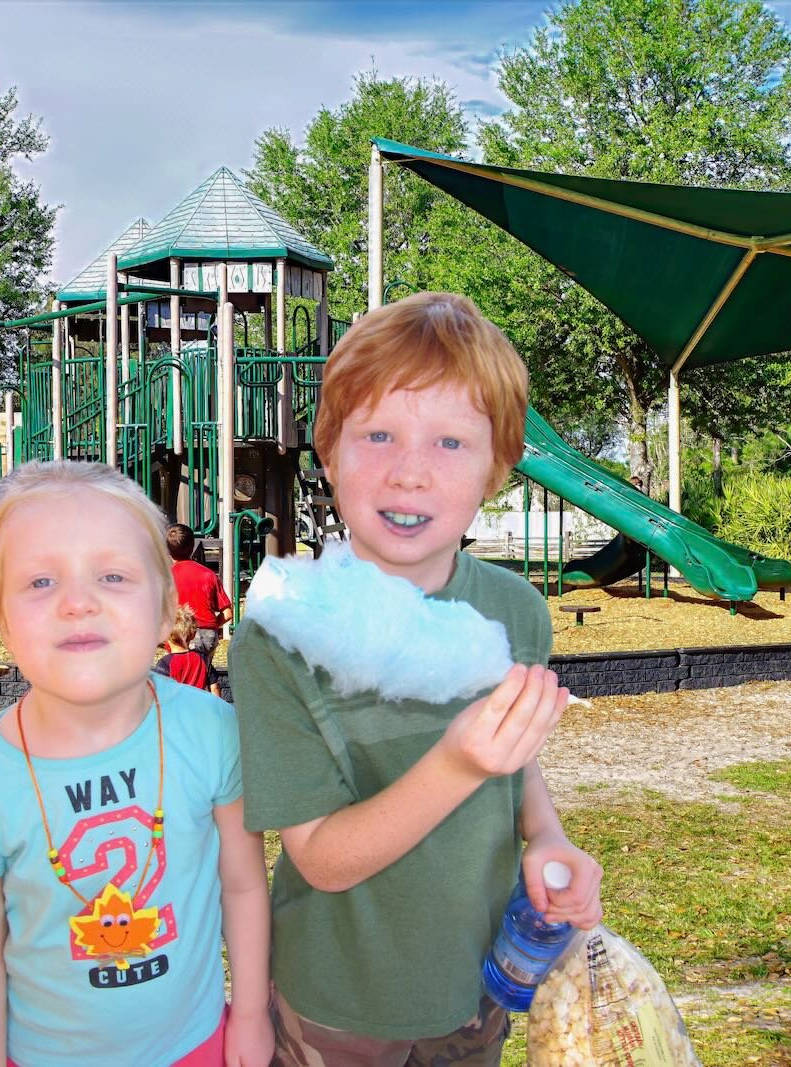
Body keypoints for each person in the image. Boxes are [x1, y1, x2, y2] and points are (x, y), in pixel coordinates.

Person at [229, 291, 603, 1065]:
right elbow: (320, 856)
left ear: (497, 468)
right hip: (340, 1005)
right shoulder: (278, 634)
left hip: (477, 990)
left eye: (450, 443)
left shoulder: (516, 612)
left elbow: (513, 762)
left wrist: (549, 837)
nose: (410, 472)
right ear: (327, 453)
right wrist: (458, 762)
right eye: (377, 434)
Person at [0, 460, 271, 1067]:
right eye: (40, 582)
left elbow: (242, 886)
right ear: (1, 617)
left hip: (200, 1046)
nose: (78, 602)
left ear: (166, 611)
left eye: (112, 574)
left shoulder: (213, 732)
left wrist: (255, 1014)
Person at [164, 523, 231, 676]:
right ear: (192, 545)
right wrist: (213, 626)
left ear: (167, 550)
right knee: (203, 676)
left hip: (178, 634)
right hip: (207, 634)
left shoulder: (165, 577)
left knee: (180, 679)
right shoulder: (208, 575)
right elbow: (227, 613)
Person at [155, 605, 213, 693]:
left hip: (177, 706)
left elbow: (161, 692)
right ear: (193, 635)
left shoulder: (165, 663)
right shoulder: (203, 659)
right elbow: (214, 687)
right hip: (199, 705)